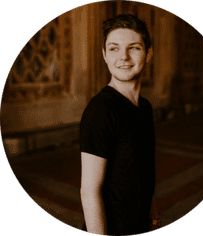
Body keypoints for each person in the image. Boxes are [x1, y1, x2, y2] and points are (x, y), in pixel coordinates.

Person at [80, 14, 159, 235]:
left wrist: (151, 205)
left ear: (149, 53)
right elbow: (89, 191)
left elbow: (144, 163)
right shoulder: (101, 111)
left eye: (134, 48)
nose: (123, 57)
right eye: (114, 48)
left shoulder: (145, 107)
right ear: (104, 54)